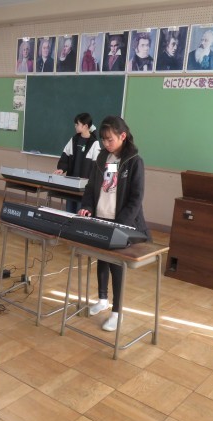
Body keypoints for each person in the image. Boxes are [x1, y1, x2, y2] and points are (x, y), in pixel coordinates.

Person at [78, 116, 151, 332]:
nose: (106, 143)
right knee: (101, 259)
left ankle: (117, 312)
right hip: (101, 217)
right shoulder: (103, 157)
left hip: (122, 223)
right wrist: (87, 206)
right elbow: (92, 187)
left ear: (123, 136)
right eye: (103, 139)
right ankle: (102, 299)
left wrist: (120, 225)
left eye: (110, 139)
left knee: (116, 265)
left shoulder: (134, 161)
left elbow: (136, 198)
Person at [53, 113, 101, 213]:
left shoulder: (94, 143)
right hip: (71, 183)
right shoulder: (74, 140)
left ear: (85, 126)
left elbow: (95, 167)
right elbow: (65, 155)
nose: (75, 126)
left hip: (84, 187)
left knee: (80, 211)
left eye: (77, 124)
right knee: (69, 210)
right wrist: (61, 168)